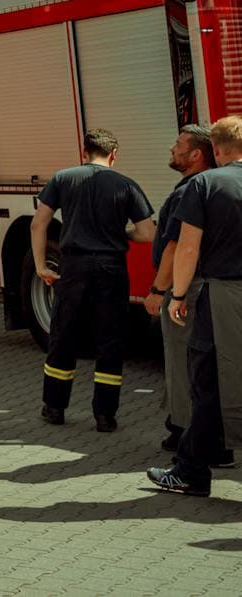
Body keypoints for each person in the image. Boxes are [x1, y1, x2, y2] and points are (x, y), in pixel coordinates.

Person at [30, 128, 156, 430]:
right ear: (114, 155)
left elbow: (38, 224)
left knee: (63, 334)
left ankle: (55, 407)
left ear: (84, 151)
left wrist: (40, 266)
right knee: (110, 339)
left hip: (73, 266)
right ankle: (104, 415)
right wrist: (117, 235)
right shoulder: (126, 184)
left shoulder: (63, 178)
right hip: (111, 267)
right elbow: (148, 233)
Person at [150, 114, 242, 496]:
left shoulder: (204, 184)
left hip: (219, 297)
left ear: (216, 150)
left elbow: (186, 248)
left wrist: (177, 295)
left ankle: (191, 471)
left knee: (206, 380)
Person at [148, 124, 218, 453]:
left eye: (177, 144)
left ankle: (182, 429)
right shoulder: (216, 186)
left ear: (195, 154)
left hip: (185, 287)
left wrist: (160, 290)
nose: (171, 149)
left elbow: (176, 247)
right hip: (212, 287)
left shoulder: (190, 191)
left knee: (180, 357)